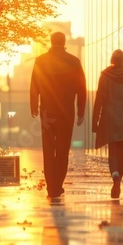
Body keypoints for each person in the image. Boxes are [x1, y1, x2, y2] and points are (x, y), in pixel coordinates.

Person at [30, 32, 87, 200]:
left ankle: (51, 187)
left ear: (51, 41)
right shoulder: (74, 62)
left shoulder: (41, 61)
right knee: (62, 150)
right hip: (66, 113)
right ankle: (58, 185)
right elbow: (81, 88)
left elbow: (34, 85)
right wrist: (81, 111)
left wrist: (34, 106)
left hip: (47, 112)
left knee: (48, 149)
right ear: (64, 42)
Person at [91, 49, 123, 199]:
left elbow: (99, 100)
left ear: (112, 60)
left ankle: (115, 177)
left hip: (109, 118)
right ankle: (119, 177)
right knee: (122, 150)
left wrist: (95, 122)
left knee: (112, 149)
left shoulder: (104, 77)